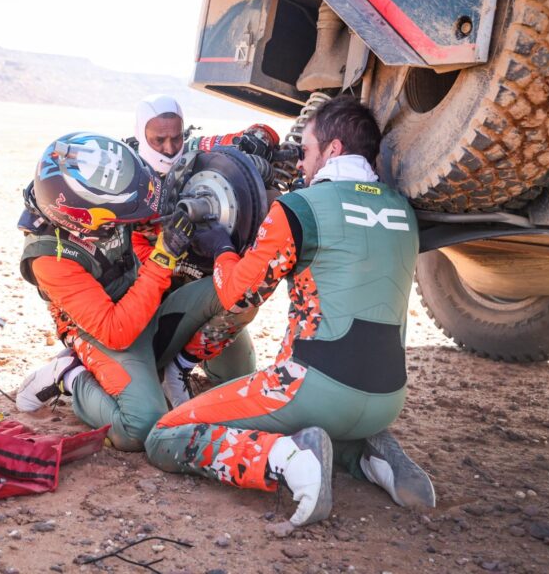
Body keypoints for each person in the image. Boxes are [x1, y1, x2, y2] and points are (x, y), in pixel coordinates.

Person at [143, 96, 435, 526]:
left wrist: (222, 248)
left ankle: (288, 459)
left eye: (307, 151)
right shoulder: (403, 211)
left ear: (332, 150)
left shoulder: (301, 208)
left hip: (312, 388)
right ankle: (370, 454)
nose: (300, 164)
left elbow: (237, 295)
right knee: (334, 403)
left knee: (163, 435)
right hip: (387, 397)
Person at [15, 133, 257, 450]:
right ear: (86, 221)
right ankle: (70, 376)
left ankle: (177, 367)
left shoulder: (104, 188)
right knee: (140, 427)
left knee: (239, 302)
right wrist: (162, 258)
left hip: (146, 300)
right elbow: (117, 331)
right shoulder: (49, 258)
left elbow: (158, 198)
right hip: (102, 334)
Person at [125, 94, 281, 407]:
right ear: (142, 134)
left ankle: (181, 361)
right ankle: (164, 363)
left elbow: (260, 134)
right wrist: (168, 256)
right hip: (151, 289)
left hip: (203, 285)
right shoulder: (127, 171)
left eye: (176, 137)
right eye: (158, 140)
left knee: (238, 376)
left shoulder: (197, 149)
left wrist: (258, 142)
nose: (170, 148)